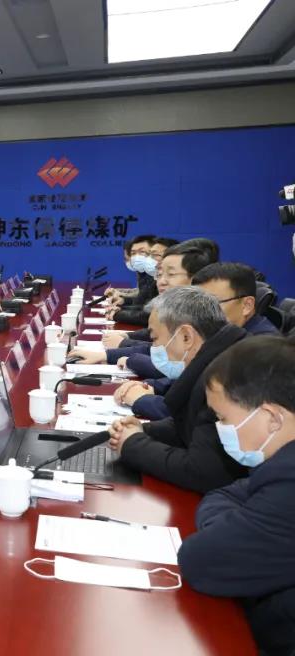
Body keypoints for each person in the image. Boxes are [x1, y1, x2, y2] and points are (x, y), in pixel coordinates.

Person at [179, 337, 295, 656]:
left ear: (272, 418)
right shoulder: (279, 466)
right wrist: (237, 524)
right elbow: (225, 493)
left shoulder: (289, 480)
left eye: (223, 418)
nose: (220, 428)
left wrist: (230, 527)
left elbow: (201, 561)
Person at [107, 287, 249, 494]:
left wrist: (132, 444)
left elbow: (202, 472)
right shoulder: (217, 356)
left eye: (155, 339)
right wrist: (144, 430)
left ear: (186, 337)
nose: (153, 347)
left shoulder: (225, 377)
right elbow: (191, 425)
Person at [109, 260, 278, 420]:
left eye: (212, 303)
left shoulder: (258, 351)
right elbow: (191, 378)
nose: (201, 311)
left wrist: (141, 400)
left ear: (247, 305)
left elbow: (197, 416)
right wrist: (154, 386)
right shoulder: (224, 337)